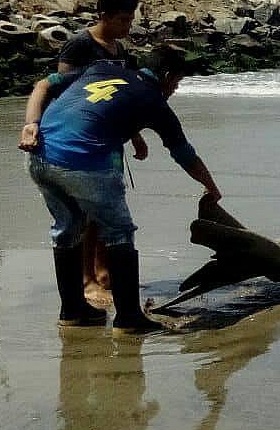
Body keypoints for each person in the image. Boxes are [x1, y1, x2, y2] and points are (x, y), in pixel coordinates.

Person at [19, 45, 222, 333]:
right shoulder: (153, 100)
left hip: (39, 154)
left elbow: (49, 85)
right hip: (84, 162)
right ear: (165, 75)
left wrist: (31, 123)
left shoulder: (100, 69)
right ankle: (129, 319)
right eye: (176, 83)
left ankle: (73, 311)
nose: (174, 90)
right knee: (119, 232)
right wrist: (210, 186)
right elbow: (183, 153)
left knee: (67, 228)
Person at [58, 0, 148, 295]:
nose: (128, 26)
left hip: (110, 141)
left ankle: (102, 269)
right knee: (84, 211)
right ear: (104, 15)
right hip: (81, 142)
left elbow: (122, 99)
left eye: (131, 19)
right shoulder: (79, 47)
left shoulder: (119, 52)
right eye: (123, 20)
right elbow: (63, 93)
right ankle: (86, 279)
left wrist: (135, 135)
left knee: (104, 208)